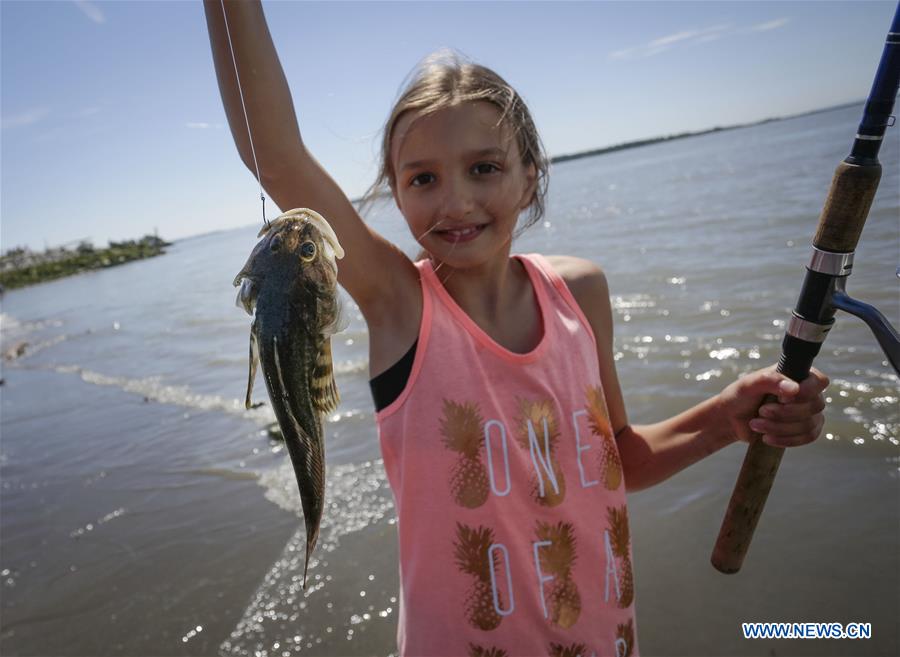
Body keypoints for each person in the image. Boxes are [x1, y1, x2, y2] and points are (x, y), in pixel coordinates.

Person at [204, 2, 829, 655]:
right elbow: (276, 156)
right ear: (397, 192)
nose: (456, 202)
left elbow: (619, 461)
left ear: (530, 176)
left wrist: (727, 417)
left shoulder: (580, 293)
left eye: (484, 167)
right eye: (423, 178)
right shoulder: (400, 306)